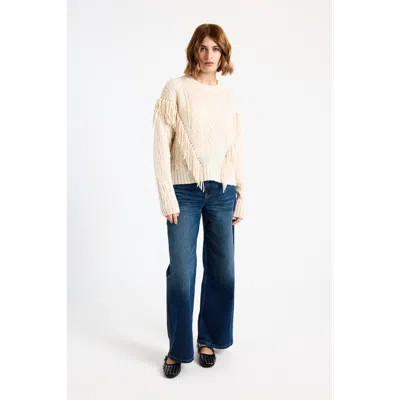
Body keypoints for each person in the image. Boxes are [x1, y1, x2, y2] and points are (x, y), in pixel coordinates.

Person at [152, 23, 246, 379]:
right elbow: (160, 144)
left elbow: (236, 146)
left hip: (222, 191)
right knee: (182, 273)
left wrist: (242, 193)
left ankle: (208, 339)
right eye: (203, 48)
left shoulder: (227, 96)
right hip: (184, 192)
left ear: (223, 54)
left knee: (223, 271)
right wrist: (167, 195)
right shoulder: (175, 89)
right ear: (194, 50)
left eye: (215, 49)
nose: (209, 55)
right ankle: (178, 348)